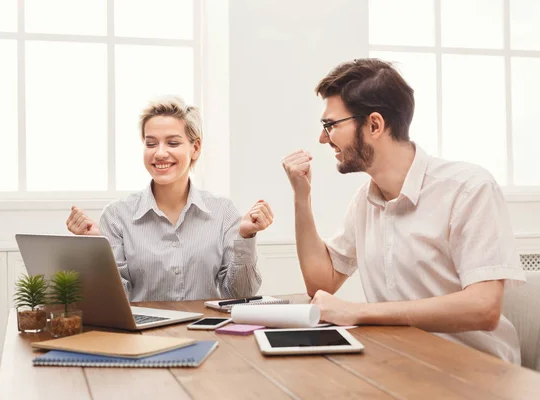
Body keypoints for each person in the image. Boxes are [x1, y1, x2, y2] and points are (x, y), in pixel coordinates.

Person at [282, 58, 525, 363]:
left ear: (374, 124)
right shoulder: (365, 201)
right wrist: (301, 198)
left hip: (476, 373)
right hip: (401, 366)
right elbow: (322, 283)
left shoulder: (468, 188)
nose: (322, 138)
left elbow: (484, 308)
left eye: (330, 125)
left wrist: (359, 312)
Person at [67, 95, 273, 302]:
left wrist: (246, 237)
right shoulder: (116, 216)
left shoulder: (223, 211)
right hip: (143, 332)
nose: (160, 153)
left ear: (195, 148)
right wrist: (95, 249)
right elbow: (115, 300)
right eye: (151, 144)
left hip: (204, 329)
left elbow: (240, 294)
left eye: (173, 143)